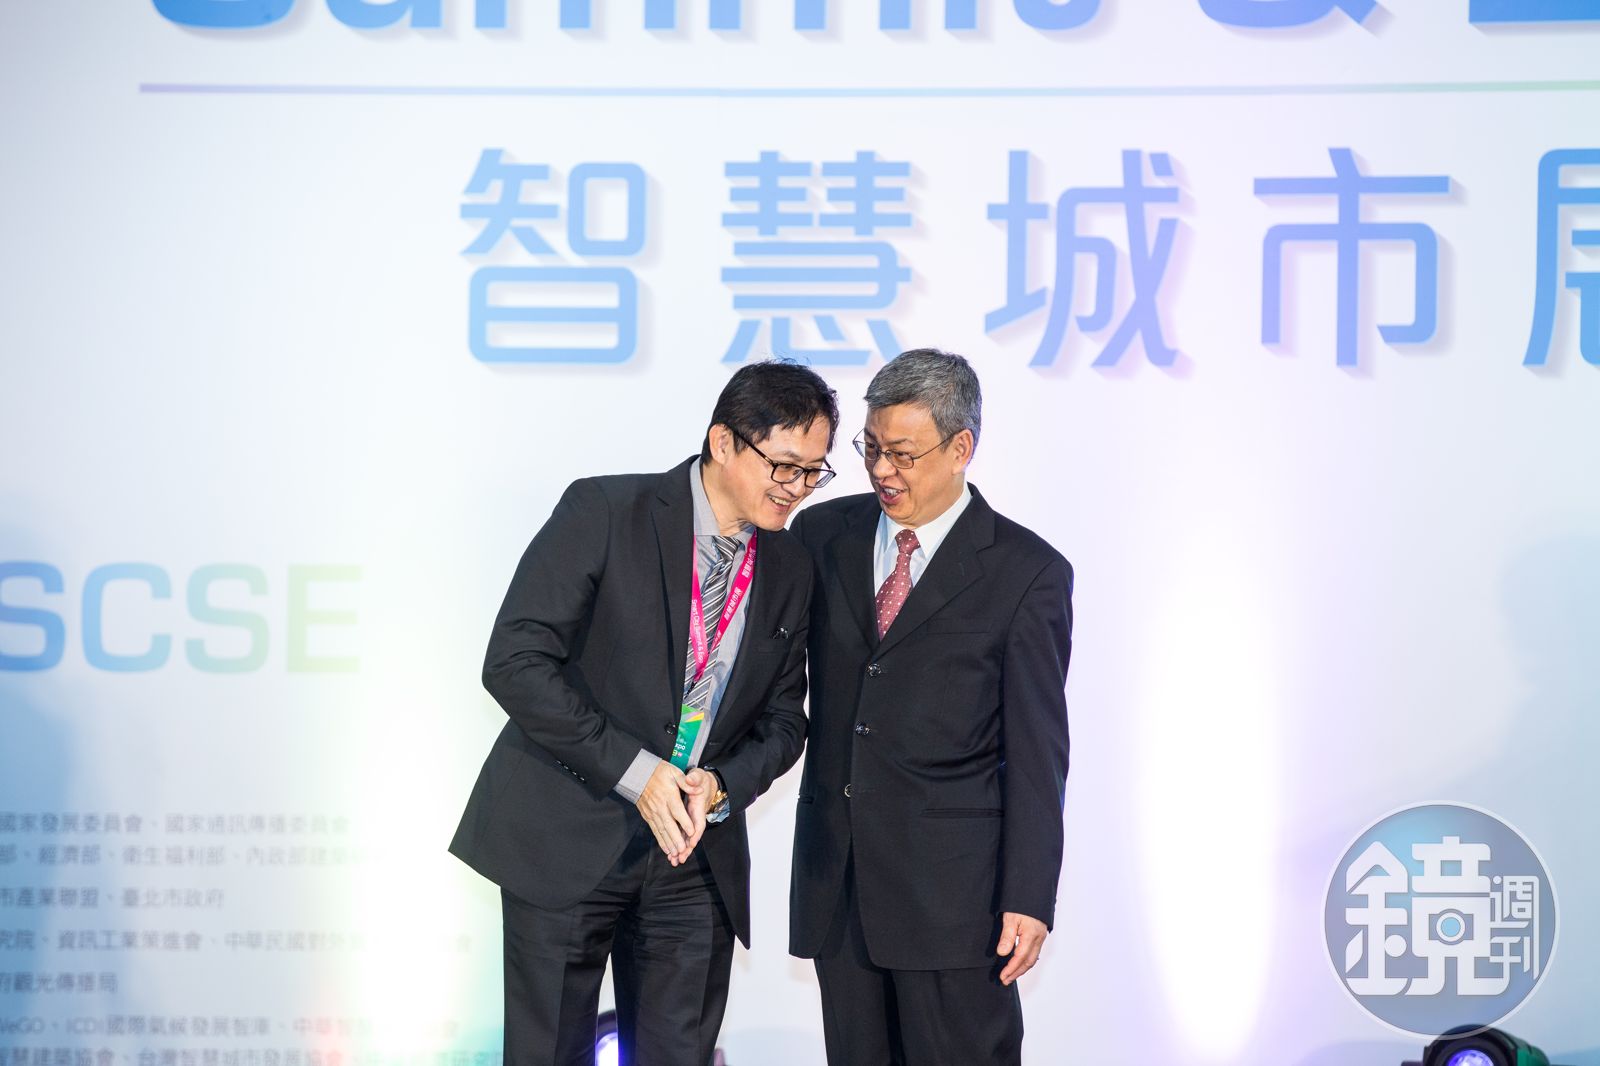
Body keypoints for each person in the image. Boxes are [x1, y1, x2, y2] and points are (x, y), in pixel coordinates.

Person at [451, 360, 839, 1066]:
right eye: (785, 466)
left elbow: (786, 722)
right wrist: (638, 773)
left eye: (814, 472)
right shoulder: (606, 511)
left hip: (693, 855)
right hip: (568, 832)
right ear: (724, 442)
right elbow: (515, 662)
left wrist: (719, 785)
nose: (798, 488)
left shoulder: (790, 566)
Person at [788, 349, 1073, 1066]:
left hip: (957, 905)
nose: (882, 470)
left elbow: (1037, 753)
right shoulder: (821, 537)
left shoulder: (1027, 572)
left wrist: (1029, 894)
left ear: (960, 448)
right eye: (871, 449)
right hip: (839, 889)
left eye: (903, 454)